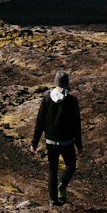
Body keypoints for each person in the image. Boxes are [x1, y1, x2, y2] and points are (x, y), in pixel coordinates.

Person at [31, 70, 82, 205]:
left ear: (55, 82)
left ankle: (52, 200)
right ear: (67, 83)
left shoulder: (47, 99)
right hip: (67, 141)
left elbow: (40, 121)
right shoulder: (71, 100)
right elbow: (76, 124)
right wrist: (79, 144)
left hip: (50, 140)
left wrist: (34, 142)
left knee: (52, 169)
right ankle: (62, 184)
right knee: (70, 165)